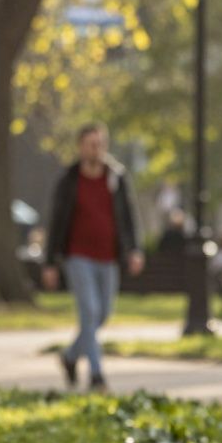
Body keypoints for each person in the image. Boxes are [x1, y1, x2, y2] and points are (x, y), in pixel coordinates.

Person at [43, 123, 145, 392]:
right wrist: (50, 262)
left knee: (102, 314)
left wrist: (135, 249)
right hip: (78, 256)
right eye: (91, 144)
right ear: (81, 147)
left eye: (100, 144)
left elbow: (129, 217)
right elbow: (55, 222)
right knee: (89, 311)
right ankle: (97, 375)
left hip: (108, 256)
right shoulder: (69, 180)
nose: (96, 149)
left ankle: (70, 356)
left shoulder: (116, 178)